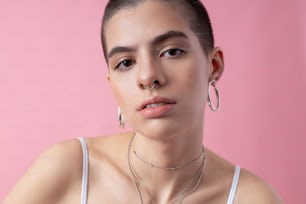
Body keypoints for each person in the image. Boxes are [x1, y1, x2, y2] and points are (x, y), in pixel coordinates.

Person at [3, 0, 282, 203]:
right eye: (125, 63)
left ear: (214, 65)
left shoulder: (250, 197)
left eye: (171, 51)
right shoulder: (71, 166)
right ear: (112, 82)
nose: (148, 77)